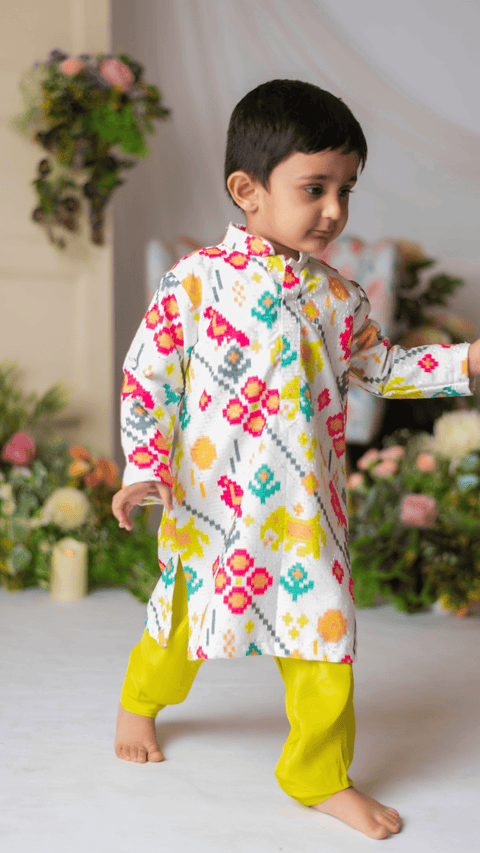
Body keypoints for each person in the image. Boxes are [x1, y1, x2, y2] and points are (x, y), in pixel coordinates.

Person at [113, 79, 480, 840]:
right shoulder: (196, 282)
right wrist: (145, 465)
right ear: (247, 190)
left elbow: (382, 368)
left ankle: (317, 774)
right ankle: (140, 702)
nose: (335, 210)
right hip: (213, 511)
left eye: (346, 189)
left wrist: (465, 362)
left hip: (308, 516)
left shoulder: (338, 297)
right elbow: (148, 377)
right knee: (180, 630)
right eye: (315, 188)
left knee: (325, 642)